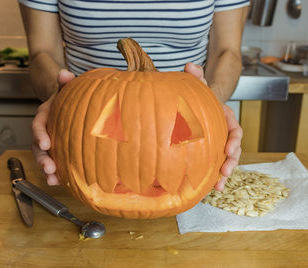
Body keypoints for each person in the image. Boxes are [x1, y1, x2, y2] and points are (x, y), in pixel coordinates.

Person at [18, 0, 248, 191]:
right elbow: (42, 52)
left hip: (187, 108)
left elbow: (226, 51)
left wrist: (211, 109)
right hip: (84, 124)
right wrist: (58, 101)